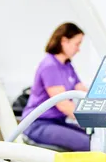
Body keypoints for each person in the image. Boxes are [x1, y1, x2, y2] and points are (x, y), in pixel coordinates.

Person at [22, 22, 90, 152]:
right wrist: (91, 121)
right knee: (89, 144)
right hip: (39, 124)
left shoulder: (67, 65)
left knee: (95, 139)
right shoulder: (50, 66)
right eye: (77, 44)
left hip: (57, 122)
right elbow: (63, 104)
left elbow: (83, 91)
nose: (78, 49)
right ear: (64, 41)